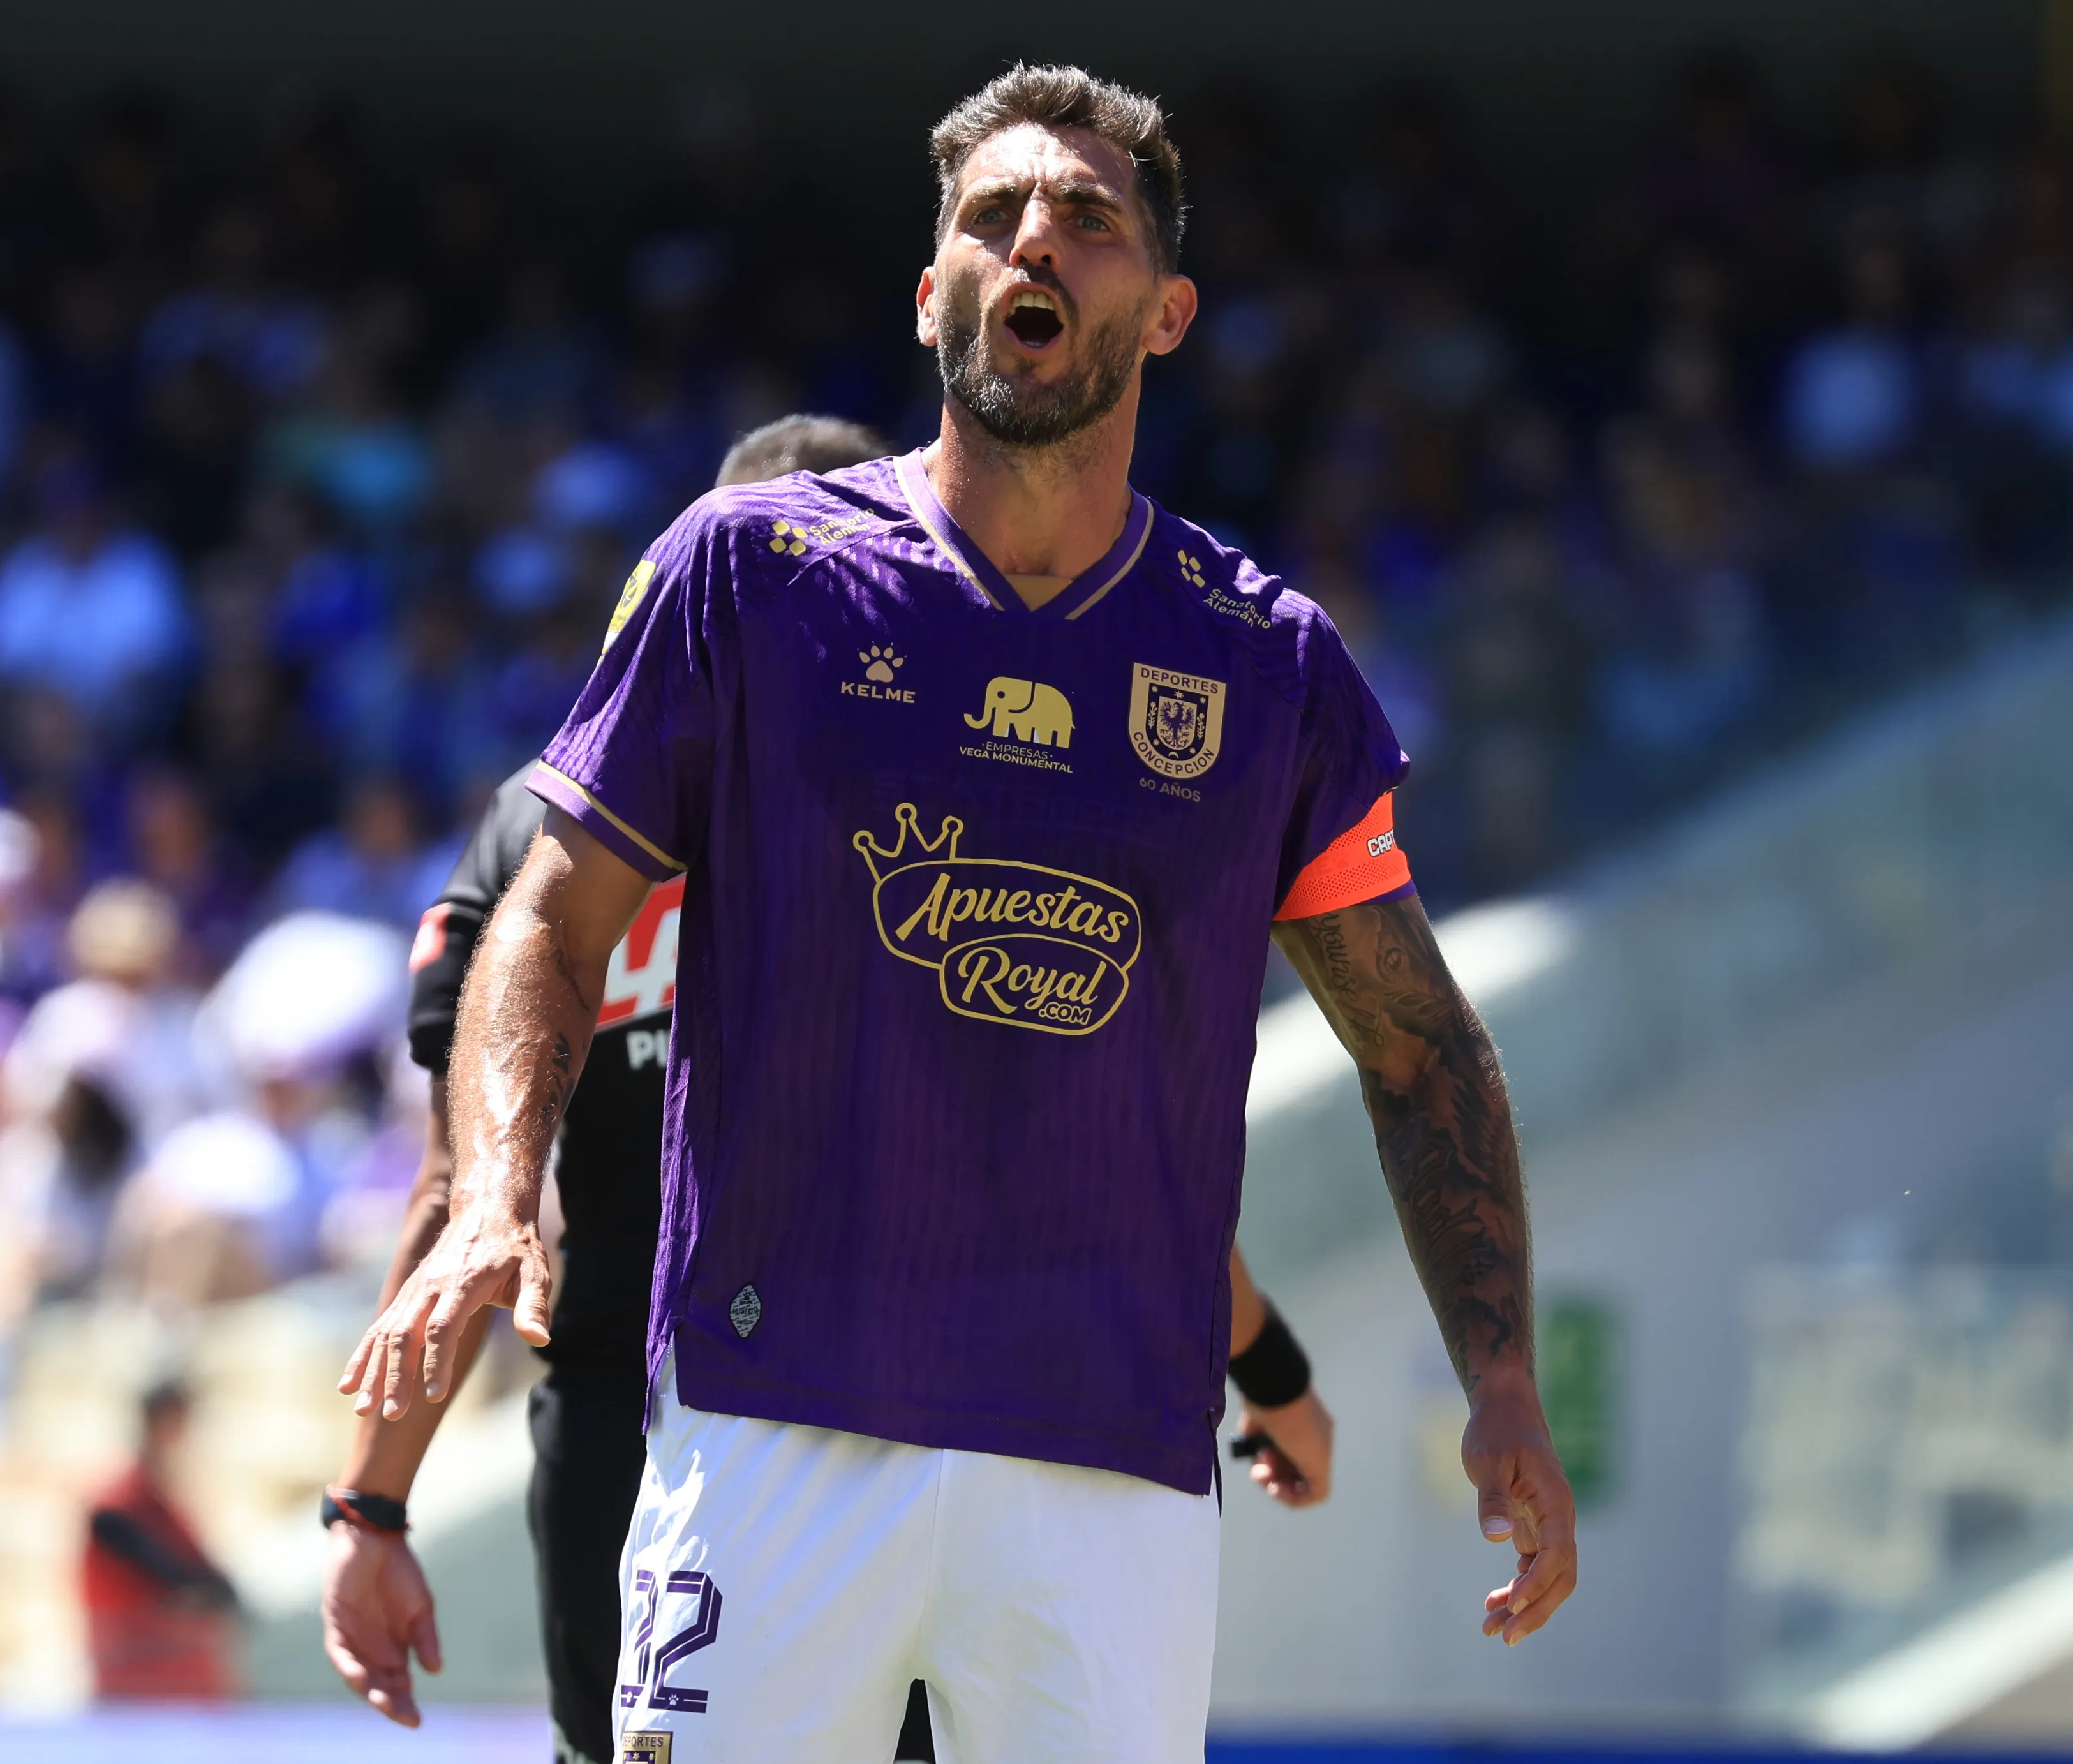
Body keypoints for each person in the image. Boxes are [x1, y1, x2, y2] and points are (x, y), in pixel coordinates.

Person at [345, 63, 1575, 1760]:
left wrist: (1498, 1376)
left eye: (1085, 218)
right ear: (931, 293)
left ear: (1163, 310)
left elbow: (1419, 1046)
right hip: (768, 1433)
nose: (1032, 244)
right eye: (990, 216)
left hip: (1107, 1471)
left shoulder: (1266, 663)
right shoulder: (748, 575)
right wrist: (494, 1193)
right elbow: (544, 931)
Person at [323, 417, 1333, 1764]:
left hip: (686, 1450)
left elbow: (461, 1188)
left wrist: (372, 1504)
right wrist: (1269, 1368)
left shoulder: (540, 831)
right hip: (894, 1433)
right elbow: (1108, 1168)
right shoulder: (951, 809)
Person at [83, 1379, 242, 1701]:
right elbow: (165, 1573)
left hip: (173, 1672)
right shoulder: (121, 1502)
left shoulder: (160, 1496)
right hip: (140, 1672)